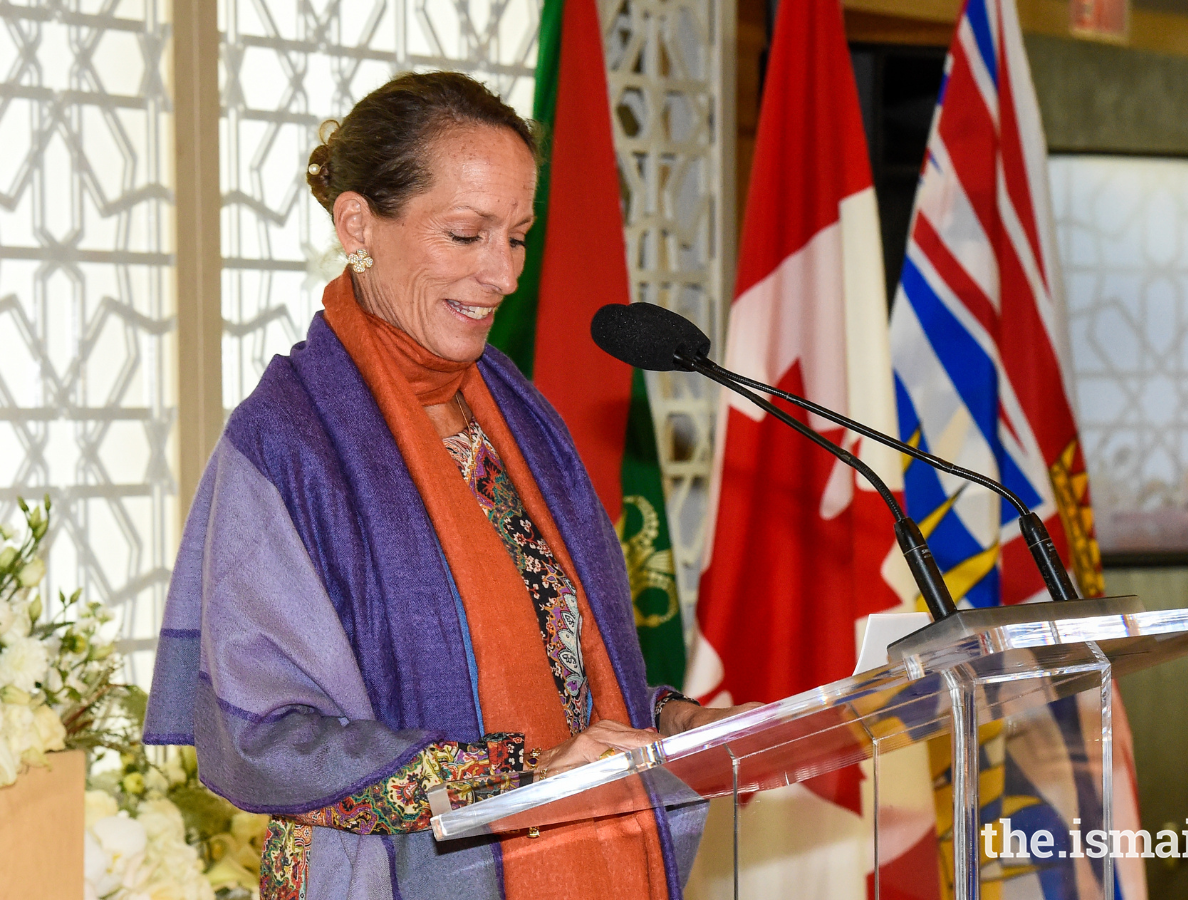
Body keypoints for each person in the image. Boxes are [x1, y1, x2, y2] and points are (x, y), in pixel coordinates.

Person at [144, 71, 751, 900]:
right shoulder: (287, 442)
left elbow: (561, 666)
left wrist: (670, 723)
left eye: (518, 236)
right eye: (466, 235)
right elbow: (266, 740)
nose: (502, 275)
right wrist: (515, 775)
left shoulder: (517, 416)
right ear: (358, 222)